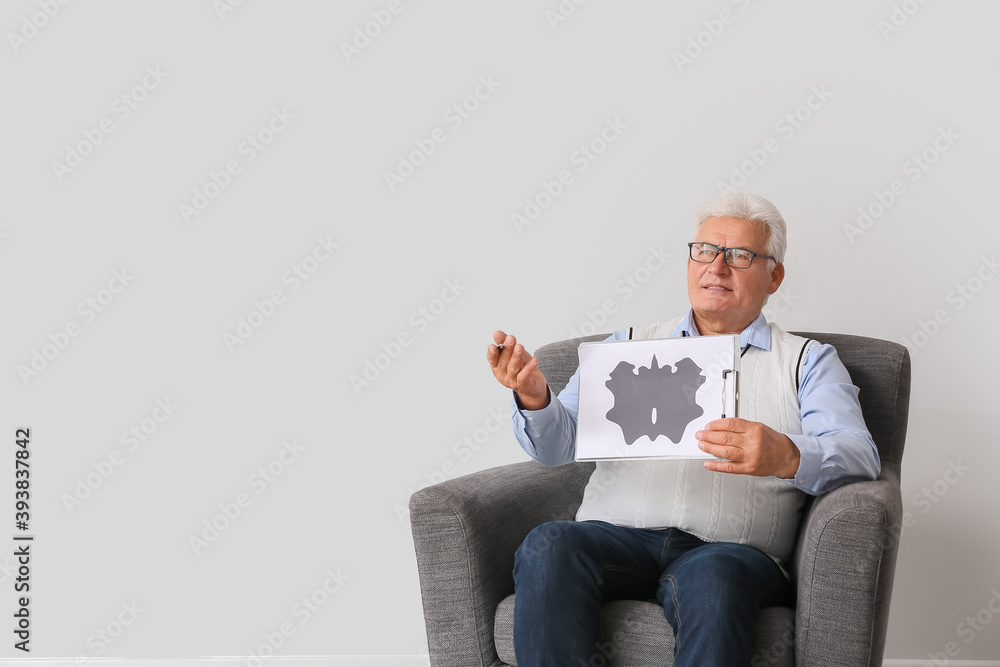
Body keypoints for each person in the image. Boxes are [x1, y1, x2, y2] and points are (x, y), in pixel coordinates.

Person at [485, 191, 880, 666]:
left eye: (740, 256)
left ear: (774, 275)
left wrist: (786, 454)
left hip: (731, 551)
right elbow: (557, 446)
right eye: (705, 251)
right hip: (615, 536)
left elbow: (860, 454)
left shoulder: (806, 361)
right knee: (548, 543)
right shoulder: (625, 347)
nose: (717, 267)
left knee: (715, 575)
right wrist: (534, 397)